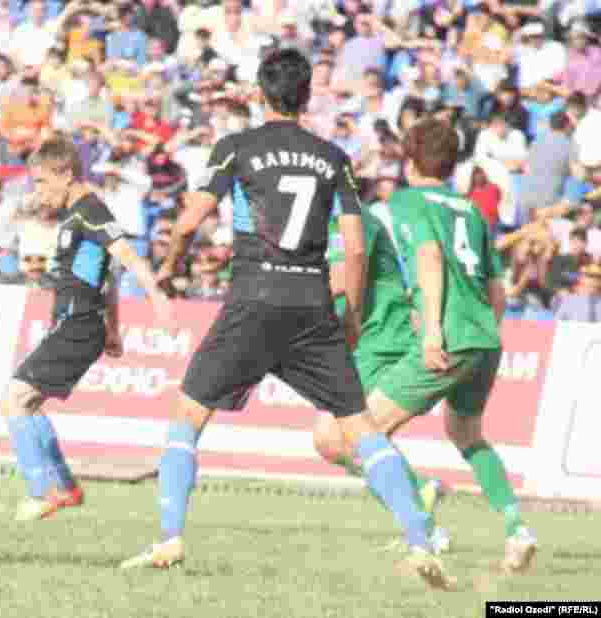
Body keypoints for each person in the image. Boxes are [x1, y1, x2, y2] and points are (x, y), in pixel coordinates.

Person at [119, 49, 453, 590]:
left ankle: (169, 537)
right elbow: (355, 248)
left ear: (258, 92)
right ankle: (419, 541)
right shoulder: (333, 157)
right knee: (362, 430)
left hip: (253, 299)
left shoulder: (238, 147)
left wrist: (169, 264)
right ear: (306, 96)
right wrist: (355, 316)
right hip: (312, 305)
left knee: (188, 415)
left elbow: (190, 219)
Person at [362, 118, 537, 575]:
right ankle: (518, 529)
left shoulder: (407, 201)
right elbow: (498, 290)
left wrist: (435, 331)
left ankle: (421, 534)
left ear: (409, 156)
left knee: (362, 430)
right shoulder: (469, 208)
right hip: (484, 336)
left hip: (450, 335)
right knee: (467, 434)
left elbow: (429, 256)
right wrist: (481, 334)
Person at [4, 135, 173, 522]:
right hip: (77, 322)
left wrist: (157, 297)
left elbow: (127, 256)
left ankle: (42, 492)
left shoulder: (90, 210)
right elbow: (108, 276)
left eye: (43, 182)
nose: (39, 191)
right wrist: (114, 328)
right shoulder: (74, 214)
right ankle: (65, 488)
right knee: (28, 403)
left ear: (65, 174)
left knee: (13, 399)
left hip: (78, 324)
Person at [313, 206, 452, 555]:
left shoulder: (354, 219)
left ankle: (420, 513)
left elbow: (341, 279)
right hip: (361, 344)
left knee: (336, 438)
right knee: (334, 442)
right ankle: (421, 514)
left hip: (382, 342)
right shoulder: (318, 221)